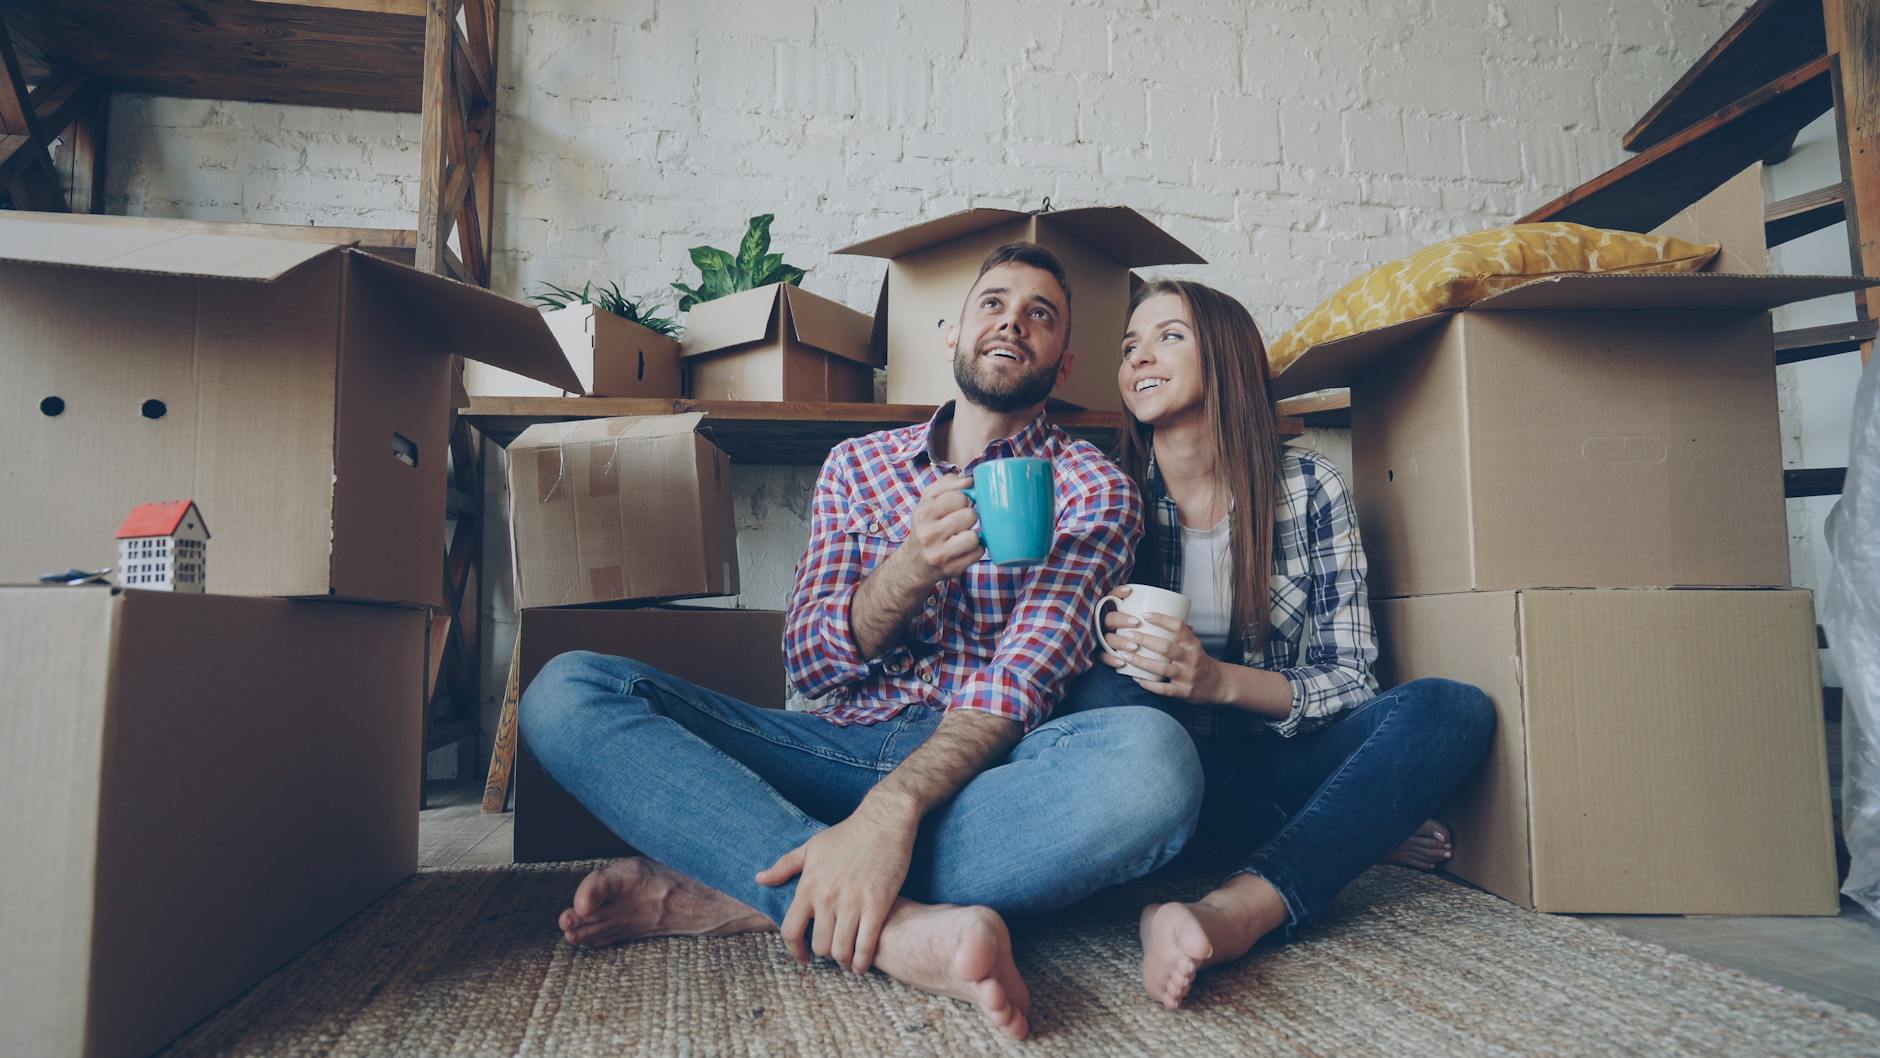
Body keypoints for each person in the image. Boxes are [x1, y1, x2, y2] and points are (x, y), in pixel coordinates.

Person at [520, 244, 1205, 1040]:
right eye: (993, 303)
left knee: (1157, 767)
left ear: (1063, 359)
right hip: (828, 748)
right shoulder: (859, 464)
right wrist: (910, 568)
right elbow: (807, 661)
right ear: (952, 334)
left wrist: (894, 809)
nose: (1013, 321)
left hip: (981, 772)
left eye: (1039, 314)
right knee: (567, 690)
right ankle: (893, 928)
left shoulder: (1094, 486)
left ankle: (743, 889)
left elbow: (1024, 677)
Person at [1060, 278, 1496, 1010]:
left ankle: (1231, 910)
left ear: (1226, 357)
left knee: (1452, 710)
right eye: (1130, 344)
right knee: (1104, 698)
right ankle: (1349, 832)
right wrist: (1096, 641)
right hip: (1167, 773)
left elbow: (1355, 677)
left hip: (1280, 754)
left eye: (1168, 336)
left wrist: (1217, 681)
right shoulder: (1108, 489)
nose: (1139, 357)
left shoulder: (1307, 485)